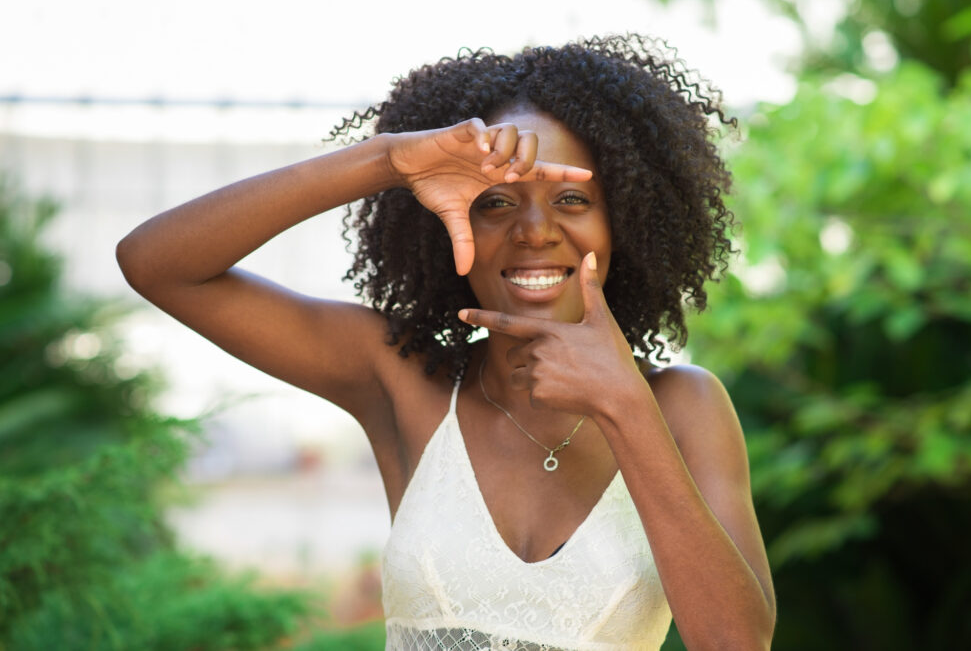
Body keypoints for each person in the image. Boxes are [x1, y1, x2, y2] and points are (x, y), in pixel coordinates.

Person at [117, 34, 775, 650]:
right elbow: (156, 263)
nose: (534, 230)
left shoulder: (684, 407)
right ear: (445, 222)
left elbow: (738, 642)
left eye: (572, 200)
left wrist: (624, 406)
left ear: (625, 222)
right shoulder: (402, 379)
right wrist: (387, 160)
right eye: (495, 202)